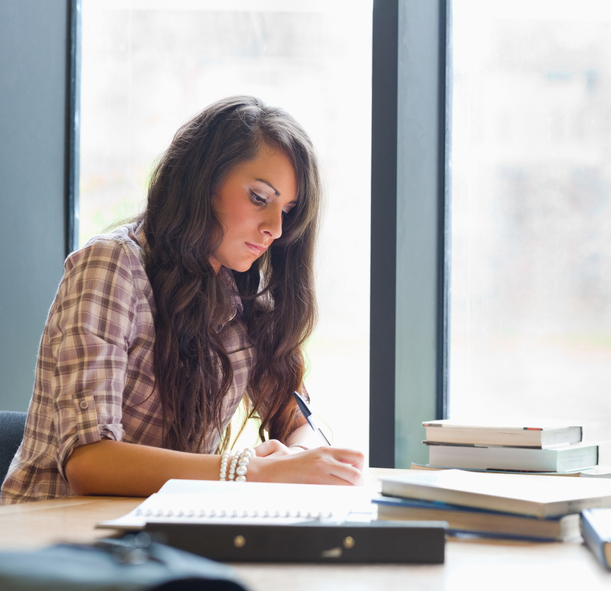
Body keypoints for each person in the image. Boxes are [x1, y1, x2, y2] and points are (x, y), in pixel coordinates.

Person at [1, 96, 364, 504]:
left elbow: (297, 419)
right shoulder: (112, 265)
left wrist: (298, 458)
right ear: (203, 183)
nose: (275, 229)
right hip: (53, 543)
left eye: (288, 211)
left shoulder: (240, 297)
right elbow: (88, 462)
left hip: (157, 541)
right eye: (260, 198)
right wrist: (250, 470)